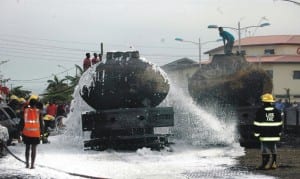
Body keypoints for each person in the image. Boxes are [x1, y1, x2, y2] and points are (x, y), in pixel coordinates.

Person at [253, 93, 283, 170]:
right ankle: (273, 164)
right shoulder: (276, 111)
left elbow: (257, 124)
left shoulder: (260, 111)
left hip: (264, 135)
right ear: (271, 102)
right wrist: (279, 133)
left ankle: (264, 164)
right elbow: (280, 124)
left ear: (263, 102)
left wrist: (256, 134)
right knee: (273, 148)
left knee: (264, 149)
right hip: (274, 135)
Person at [19, 95, 43, 169]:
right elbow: (41, 123)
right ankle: (32, 165)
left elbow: (22, 122)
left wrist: (20, 131)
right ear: (36, 104)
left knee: (27, 148)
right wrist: (42, 133)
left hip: (26, 133)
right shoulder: (39, 112)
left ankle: (27, 164)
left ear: (29, 104)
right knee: (34, 148)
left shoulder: (25, 111)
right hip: (36, 133)